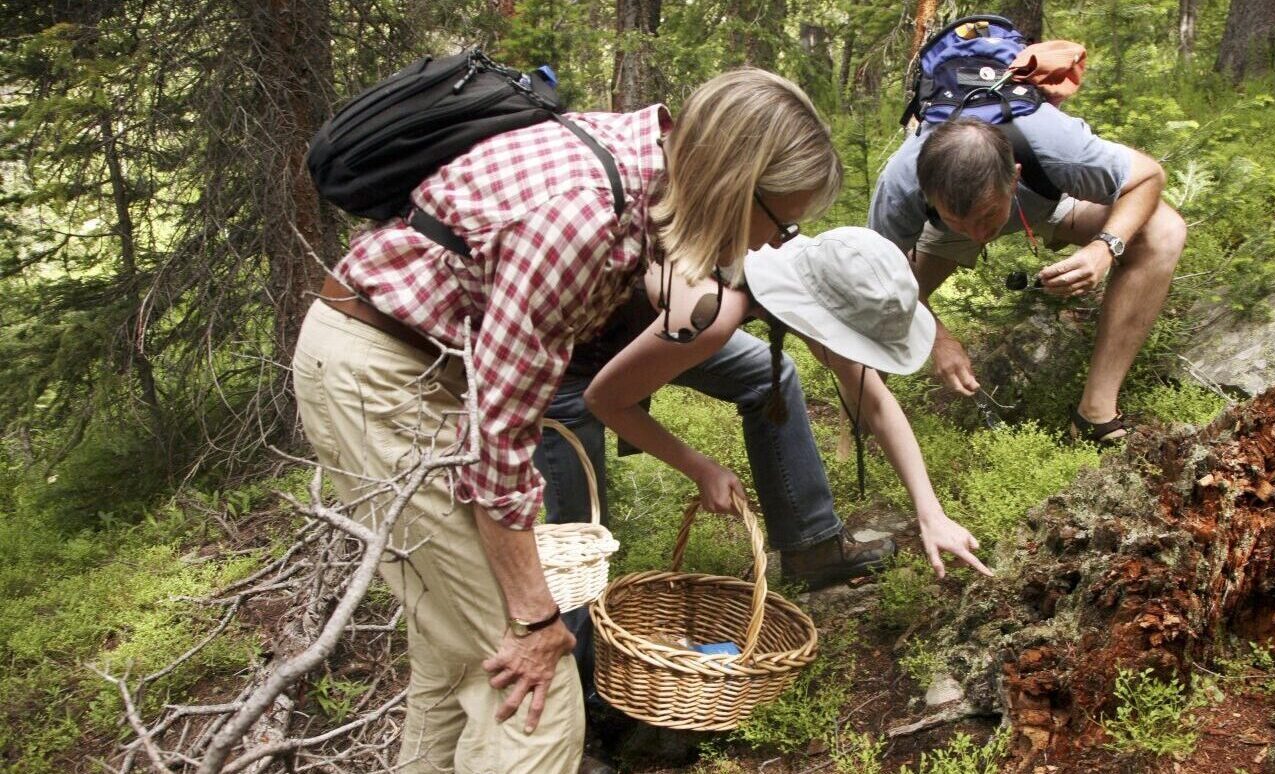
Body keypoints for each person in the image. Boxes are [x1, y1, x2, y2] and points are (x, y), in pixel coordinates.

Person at [290, 68, 842, 774]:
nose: (772, 243)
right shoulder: (582, 217)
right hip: (381, 378)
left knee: (455, 656)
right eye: (779, 219)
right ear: (736, 183)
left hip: (398, 366)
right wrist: (536, 617)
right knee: (533, 688)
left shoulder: (639, 170)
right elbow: (501, 442)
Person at [582, 227, 993, 581]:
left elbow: (878, 406)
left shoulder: (806, 271)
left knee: (769, 372)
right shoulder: (712, 311)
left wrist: (931, 513)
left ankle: (810, 547)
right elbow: (605, 399)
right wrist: (701, 468)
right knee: (576, 537)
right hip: (570, 348)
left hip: (662, 325)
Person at [868, 104, 1187, 444]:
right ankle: (865, 424)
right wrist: (935, 335)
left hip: (1043, 197)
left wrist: (1104, 247)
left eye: (986, 217)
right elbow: (877, 276)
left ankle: (1095, 415)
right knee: (871, 312)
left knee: (1163, 233)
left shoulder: (1056, 145)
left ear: (1014, 175)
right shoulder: (901, 184)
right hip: (943, 229)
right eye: (962, 222)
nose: (978, 234)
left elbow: (1150, 176)